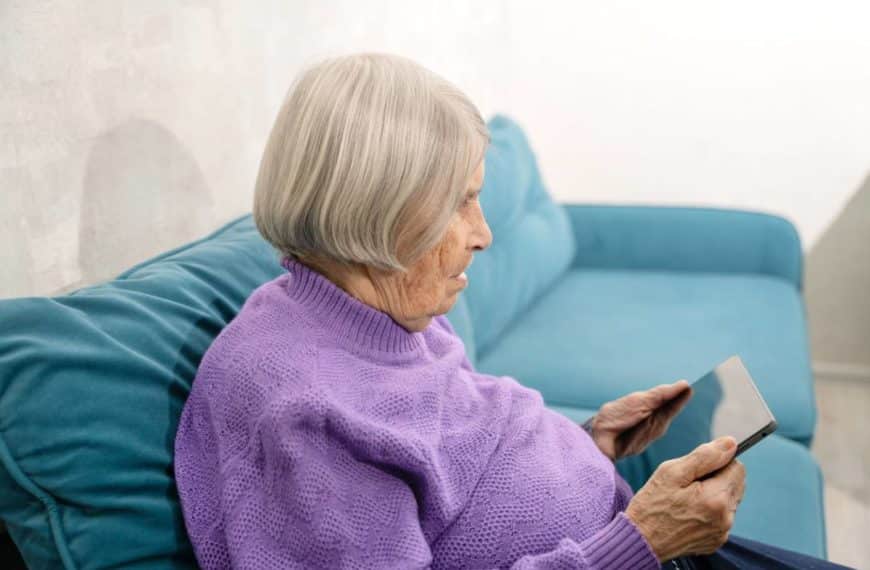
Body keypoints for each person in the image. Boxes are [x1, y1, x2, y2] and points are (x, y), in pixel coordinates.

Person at [173, 52, 850, 569]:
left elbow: (460, 463)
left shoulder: (382, 305)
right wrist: (638, 543)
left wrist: (591, 443)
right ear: (378, 208)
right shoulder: (299, 414)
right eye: (460, 203)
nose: (484, 233)